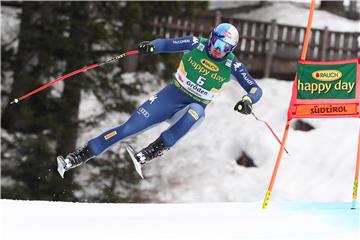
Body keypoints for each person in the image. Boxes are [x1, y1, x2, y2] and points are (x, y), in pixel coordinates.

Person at [57, 23, 263, 178]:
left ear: (231, 49)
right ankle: (78, 156)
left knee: (195, 111)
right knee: (128, 128)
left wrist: (248, 100)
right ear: (211, 38)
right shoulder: (195, 45)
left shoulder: (232, 65)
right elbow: (166, 44)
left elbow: (255, 89)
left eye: (226, 47)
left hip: (191, 110)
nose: (219, 50)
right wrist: (152, 47)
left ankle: (153, 150)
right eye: (217, 43)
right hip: (170, 96)